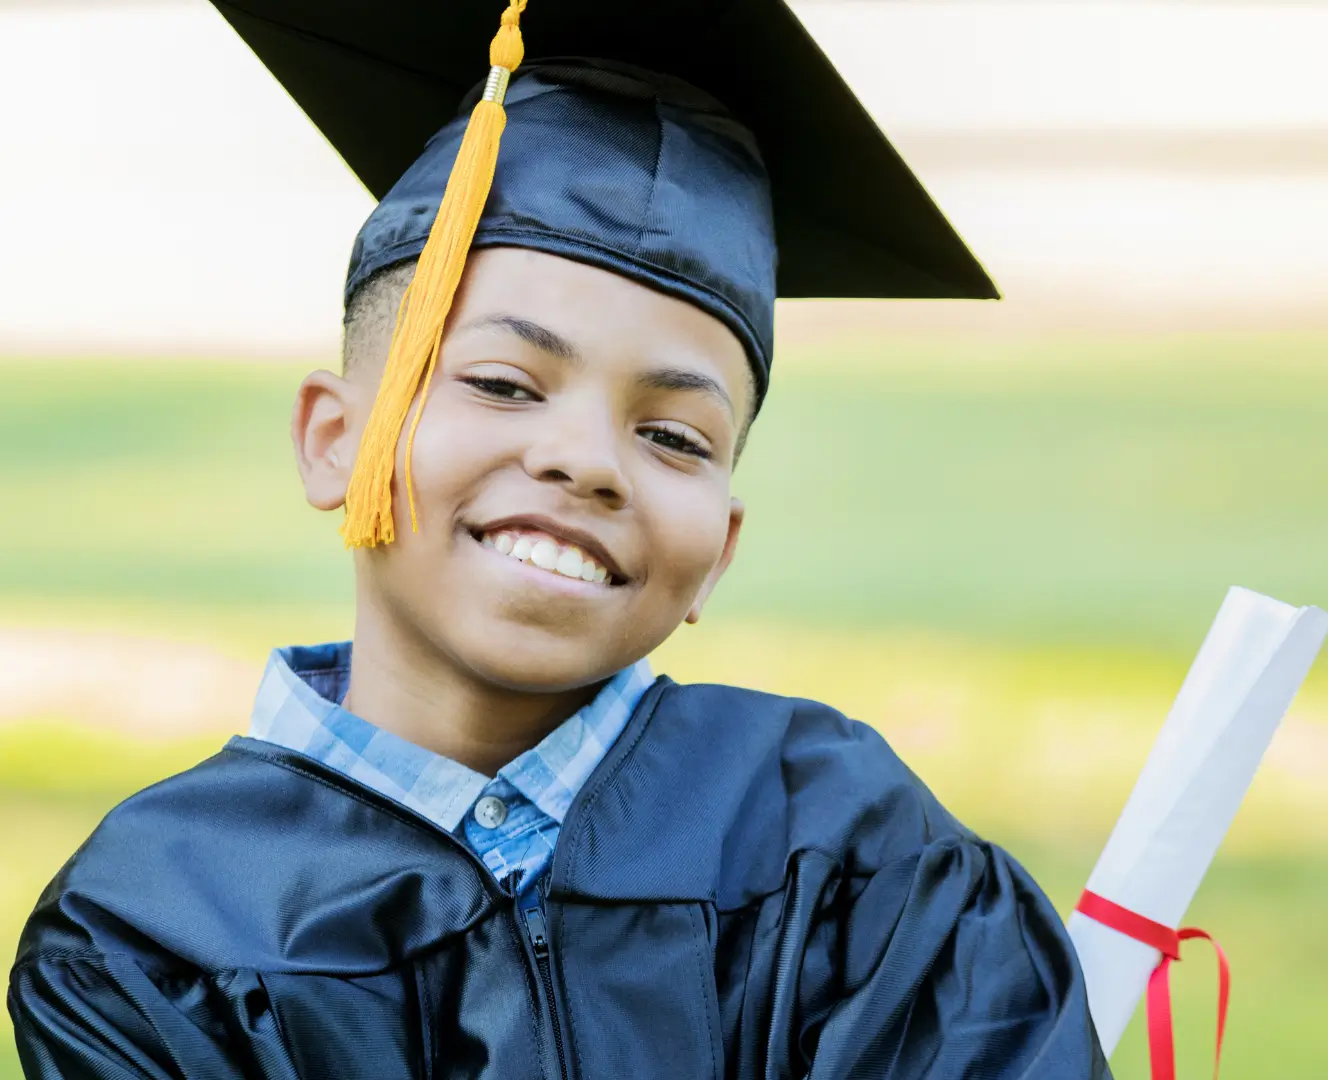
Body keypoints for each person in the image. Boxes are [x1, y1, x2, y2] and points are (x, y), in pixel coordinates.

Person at [8, 1, 1109, 1076]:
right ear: (336, 441)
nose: (585, 459)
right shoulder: (154, 930)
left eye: (673, 436)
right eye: (501, 382)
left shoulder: (847, 852)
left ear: (718, 552)